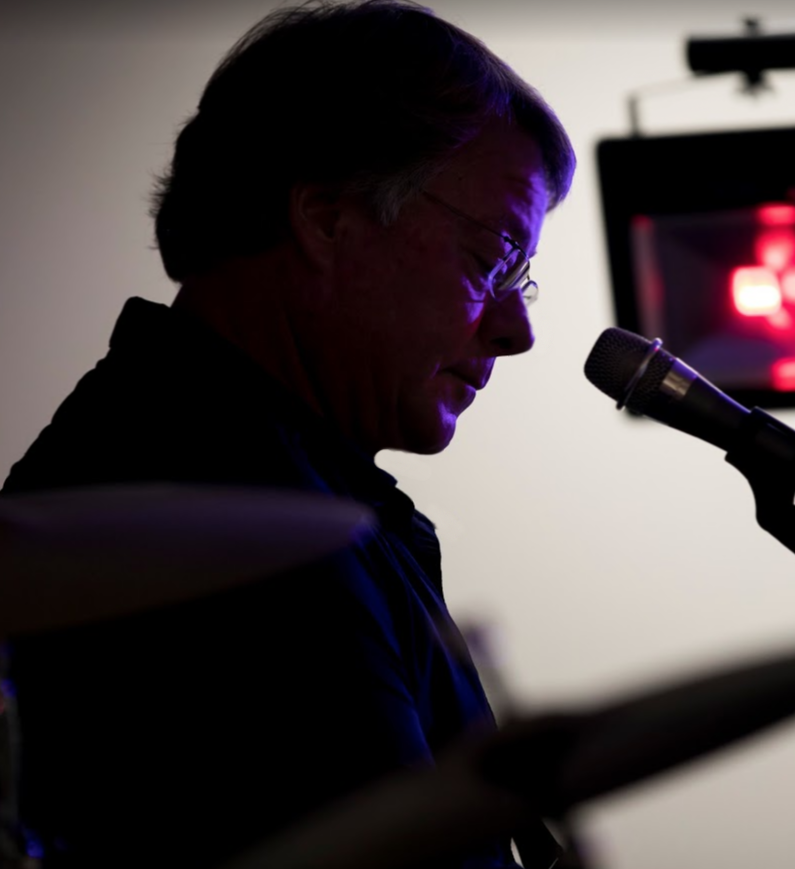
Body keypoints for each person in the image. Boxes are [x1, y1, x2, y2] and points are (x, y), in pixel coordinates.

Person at [0, 2, 574, 867]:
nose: (514, 328)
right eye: (493, 256)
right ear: (328, 216)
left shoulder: (270, 474)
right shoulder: (206, 499)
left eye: (522, 277)